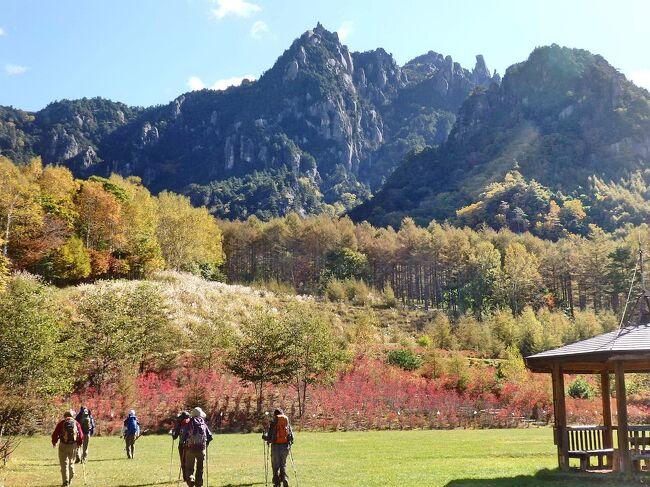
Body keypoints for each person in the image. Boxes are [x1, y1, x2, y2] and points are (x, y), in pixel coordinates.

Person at [180, 407, 213, 487]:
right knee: (200, 468)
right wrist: (205, 445)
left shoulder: (189, 423)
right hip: (201, 449)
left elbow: (183, 436)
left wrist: (183, 443)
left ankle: (191, 479)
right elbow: (210, 437)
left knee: (189, 467)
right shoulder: (203, 423)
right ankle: (199, 484)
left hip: (190, 448)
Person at [51, 409, 84, 487]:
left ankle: (65, 482)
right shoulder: (76, 423)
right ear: (73, 416)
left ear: (65, 416)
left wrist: (54, 442)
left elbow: (55, 434)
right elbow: (81, 435)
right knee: (71, 463)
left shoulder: (62, 423)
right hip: (73, 445)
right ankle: (70, 480)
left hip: (63, 444)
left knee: (64, 464)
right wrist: (79, 444)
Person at [264, 408, 294, 487]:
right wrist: (289, 444)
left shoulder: (273, 423)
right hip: (285, 447)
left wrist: (264, 437)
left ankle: (276, 483)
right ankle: (284, 479)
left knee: (275, 465)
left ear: (275, 415)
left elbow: (269, 437)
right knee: (283, 465)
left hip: (275, 447)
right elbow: (291, 437)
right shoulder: (286, 422)